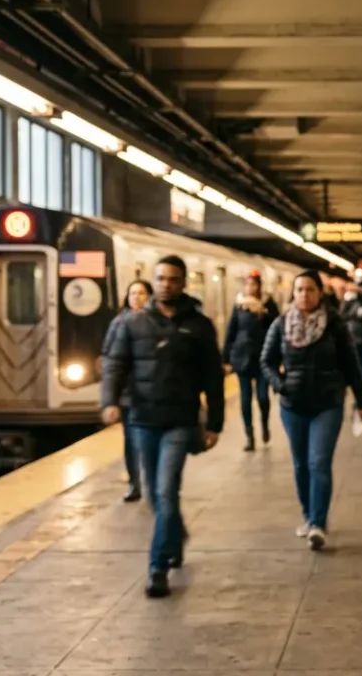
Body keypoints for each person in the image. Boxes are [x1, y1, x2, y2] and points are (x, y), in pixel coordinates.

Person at [100, 255, 225, 599]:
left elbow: (213, 377)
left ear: (184, 283)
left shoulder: (199, 326)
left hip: (180, 422)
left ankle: (157, 569)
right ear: (153, 281)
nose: (165, 284)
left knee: (166, 491)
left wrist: (214, 422)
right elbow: (116, 364)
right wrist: (109, 401)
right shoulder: (133, 323)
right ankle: (174, 535)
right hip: (141, 420)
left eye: (172, 279)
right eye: (160, 279)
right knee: (156, 497)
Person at [260, 270, 362, 552]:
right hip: (293, 405)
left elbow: (351, 364)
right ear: (293, 293)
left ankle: (318, 524)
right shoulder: (281, 323)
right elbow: (266, 361)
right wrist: (281, 385)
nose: (304, 294)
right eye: (299, 289)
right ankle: (308, 515)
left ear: (320, 293)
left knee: (318, 462)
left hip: (328, 403)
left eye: (310, 289)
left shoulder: (336, 325)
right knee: (300, 465)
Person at [223, 270, 280, 451]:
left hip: (263, 358)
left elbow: (277, 326)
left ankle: (264, 425)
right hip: (242, 358)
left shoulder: (268, 304)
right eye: (248, 285)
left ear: (260, 286)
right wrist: (225, 358)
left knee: (263, 397)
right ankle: (249, 436)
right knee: (245, 399)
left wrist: (264, 313)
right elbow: (231, 331)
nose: (251, 288)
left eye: (254, 285)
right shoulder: (239, 305)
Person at [106, 279, 152, 502]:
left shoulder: (157, 322)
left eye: (141, 293)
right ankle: (135, 483)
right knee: (132, 440)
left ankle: (152, 480)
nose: (136, 297)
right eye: (132, 293)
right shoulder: (119, 323)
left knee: (150, 439)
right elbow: (109, 358)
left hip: (151, 392)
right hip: (128, 394)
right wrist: (110, 399)